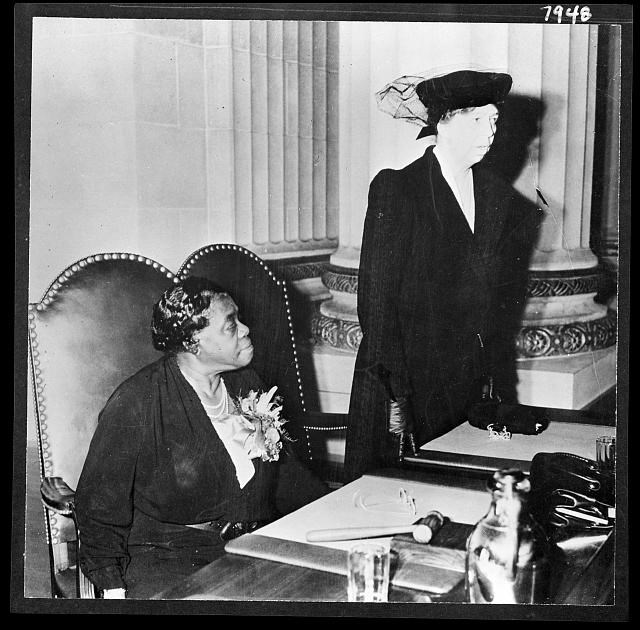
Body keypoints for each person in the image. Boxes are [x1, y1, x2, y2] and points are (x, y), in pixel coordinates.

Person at [75, 276, 329, 599]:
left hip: (250, 550)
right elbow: (97, 510)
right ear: (195, 342)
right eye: (231, 324)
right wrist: (112, 589)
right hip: (170, 561)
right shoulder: (138, 402)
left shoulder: (247, 384)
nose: (246, 329)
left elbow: (285, 477)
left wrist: (338, 511)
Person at [344, 68, 541, 481]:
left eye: (494, 120)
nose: (490, 131)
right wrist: (398, 399)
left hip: (468, 389)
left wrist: (495, 386)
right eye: (477, 119)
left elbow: (491, 307)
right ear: (444, 121)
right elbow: (376, 306)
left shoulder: (497, 196)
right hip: (404, 386)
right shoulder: (399, 190)